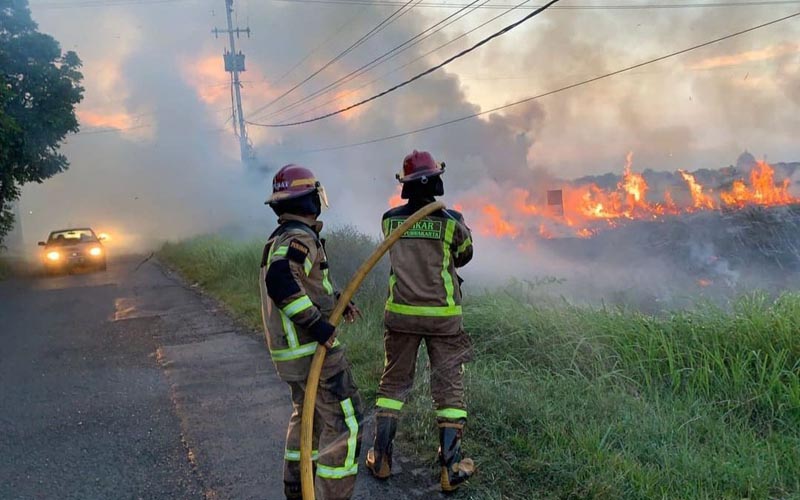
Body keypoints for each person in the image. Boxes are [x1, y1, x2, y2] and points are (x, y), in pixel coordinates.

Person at [365, 150, 475, 492]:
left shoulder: (389, 220)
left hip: (401, 315)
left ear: (406, 185)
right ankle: (450, 468)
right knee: (448, 388)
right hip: (443, 320)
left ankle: (381, 459)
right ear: (436, 180)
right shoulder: (452, 221)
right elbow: (465, 255)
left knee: (393, 386)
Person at [259, 164, 363, 500]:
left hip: (290, 355)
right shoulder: (299, 238)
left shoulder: (281, 237)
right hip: (311, 352)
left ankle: (298, 488)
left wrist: (336, 302)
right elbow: (280, 280)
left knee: (308, 419)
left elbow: (306, 284)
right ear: (309, 200)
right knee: (345, 423)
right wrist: (317, 325)